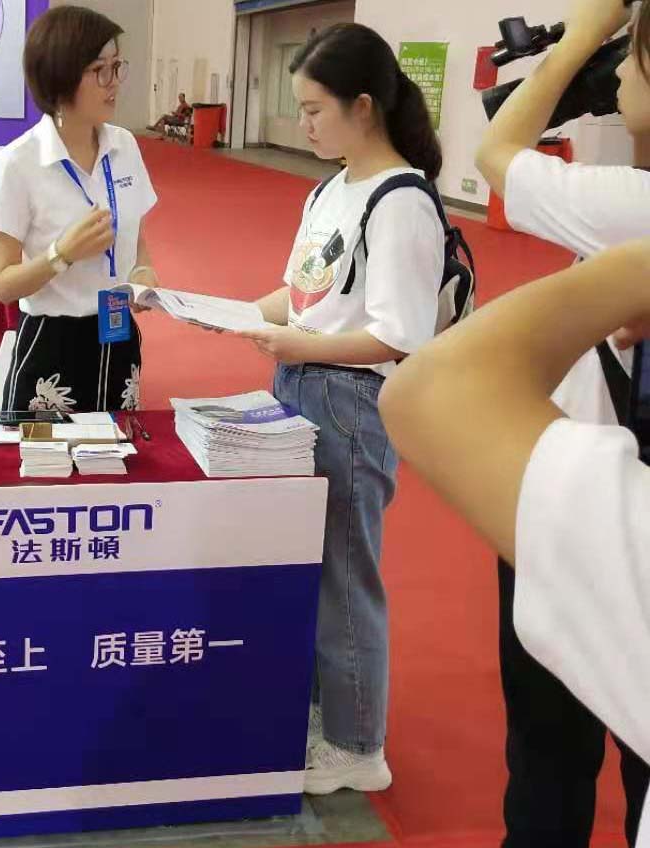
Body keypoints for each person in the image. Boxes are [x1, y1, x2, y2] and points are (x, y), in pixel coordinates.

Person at [378, 239, 650, 848]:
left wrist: (632, 270)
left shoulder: (621, 229)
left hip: (589, 502)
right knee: (545, 746)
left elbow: (432, 392)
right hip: (556, 486)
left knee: (579, 749)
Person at [235, 23, 446, 794]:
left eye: (314, 109)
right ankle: (330, 711)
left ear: (364, 107)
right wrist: (221, 311)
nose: (303, 125)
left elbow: (399, 335)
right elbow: (302, 294)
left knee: (345, 572)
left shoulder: (402, 201)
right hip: (300, 383)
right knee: (310, 563)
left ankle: (360, 746)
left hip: (349, 401)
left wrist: (298, 343)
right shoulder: (331, 189)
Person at [474, 0, 650, 841]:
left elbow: (496, 152)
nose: (617, 68)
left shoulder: (634, 206)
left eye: (632, 51)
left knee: (551, 748)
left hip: (589, 513)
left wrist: (581, 35)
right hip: (600, 494)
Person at [0, 5, 159, 413]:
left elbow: (137, 240)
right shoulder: (17, 163)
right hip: (51, 343)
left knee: (119, 448)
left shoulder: (125, 146)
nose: (114, 83)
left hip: (118, 336)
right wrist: (61, 254)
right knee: (46, 454)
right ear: (61, 77)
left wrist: (143, 273)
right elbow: (4, 285)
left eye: (117, 67)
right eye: (100, 70)